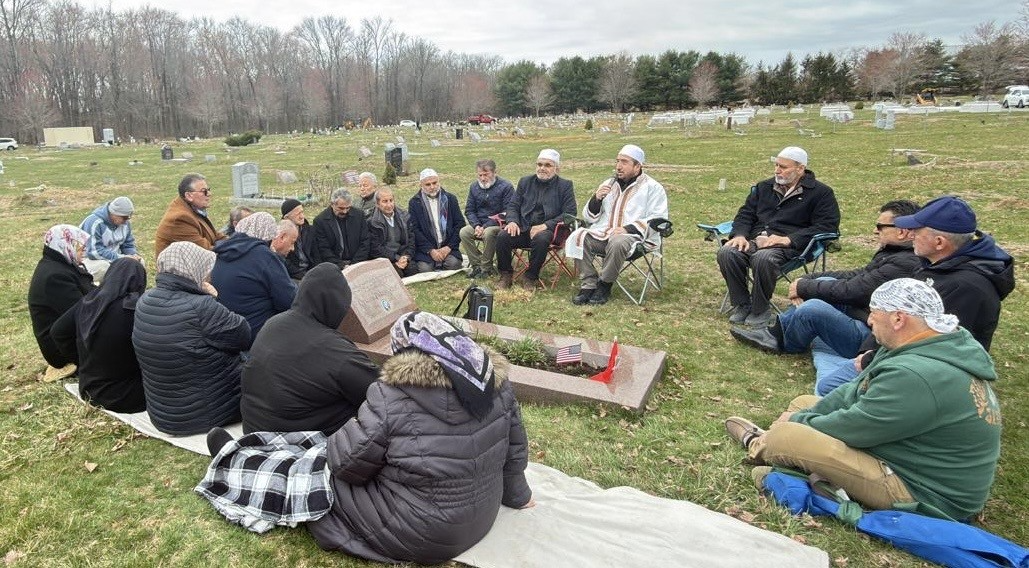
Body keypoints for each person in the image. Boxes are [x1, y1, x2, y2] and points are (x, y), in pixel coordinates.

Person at [725, 278, 1001, 522]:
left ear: (898, 319)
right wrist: (804, 416)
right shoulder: (921, 344)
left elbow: (856, 427)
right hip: (908, 452)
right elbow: (854, 391)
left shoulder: (917, 375)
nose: (869, 321)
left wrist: (798, 423)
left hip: (925, 492)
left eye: (874, 314)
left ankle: (760, 443)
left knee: (788, 437)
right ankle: (790, 452)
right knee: (804, 402)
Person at [307, 311, 534, 563]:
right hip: (482, 520)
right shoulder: (497, 383)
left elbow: (348, 465)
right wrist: (519, 496)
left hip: (417, 533)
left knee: (320, 478)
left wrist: (341, 435)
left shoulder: (390, 394)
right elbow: (515, 451)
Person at [818, 196, 1015, 392]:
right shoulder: (935, 265)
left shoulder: (965, 287)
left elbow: (933, 345)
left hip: (924, 371)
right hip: (893, 348)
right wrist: (868, 350)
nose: (910, 235)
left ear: (939, 242)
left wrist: (870, 360)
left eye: (917, 231)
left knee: (828, 387)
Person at [729, 200, 922, 394]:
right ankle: (776, 332)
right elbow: (856, 275)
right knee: (825, 282)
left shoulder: (904, 263)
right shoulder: (894, 253)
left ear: (902, 232)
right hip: (863, 315)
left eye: (880, 226)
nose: (874, 231)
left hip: (871, 337)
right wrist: (808, 280)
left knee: (812, 308)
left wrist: (804, 287)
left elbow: (853, 290)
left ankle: (786, 343)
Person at [241, 263, 380, 435]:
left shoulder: (273, 323)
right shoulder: (331, 348)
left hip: (255, 430)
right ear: (336, 305)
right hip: (300, 438)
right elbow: (379, 391)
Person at [133, 242, 251, 436]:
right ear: (193, 269)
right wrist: (212, 298)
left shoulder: (145, 301)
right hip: (207, 414)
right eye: (206, 269)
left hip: (164, 415)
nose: (209, 274)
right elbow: (243, 336)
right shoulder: (201, 306)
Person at [717, 147, 840, 327]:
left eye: (783, 167)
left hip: (792, 247)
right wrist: (740, 235)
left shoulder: (821, 193)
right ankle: (742, 304)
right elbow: (746, 214)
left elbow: (827, 226)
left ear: (800, 168)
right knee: (727, 252)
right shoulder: (764, 187)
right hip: (756, 240)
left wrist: (789, 239)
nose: (777, 170)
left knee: (763, 258)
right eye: (776, 165)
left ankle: (760, 309)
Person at [565, 144, 668, 305]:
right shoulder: (609, 183)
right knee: (578, 236)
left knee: (618, 241)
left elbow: (658, 219)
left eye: (624, 162)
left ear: (637, 166)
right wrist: (596, 199)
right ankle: (589, 284)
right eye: (617, 161)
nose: (618, 166)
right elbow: (589, 217)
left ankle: (604, 285)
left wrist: (627, 229)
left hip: (636, 238)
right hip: (604, 233)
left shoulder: (653, 188)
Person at [50, 258, 147, 412]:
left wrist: (82, 360)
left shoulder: (88, 301)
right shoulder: (134, 310)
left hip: (88, 389)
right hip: (123, 395)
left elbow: (58, 332)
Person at [210, 212, 297, 345]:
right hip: (256, 334)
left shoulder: (222, 253)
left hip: (224, 331)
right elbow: (288, 301)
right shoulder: (264, 257)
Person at [495, 149, 576, 291]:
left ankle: (531, 277)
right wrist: (512, 221)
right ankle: (506, 274)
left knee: (541, 239)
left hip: (549, 231)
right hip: (523, 227)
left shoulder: (565, 185)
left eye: (547, 165)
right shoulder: (525, 182)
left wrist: (546, 225)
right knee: (503, 236)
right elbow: (513, 206)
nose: (542, 168)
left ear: (556, 168)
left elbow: (570, 213)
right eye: (539, 164)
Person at [28, 225, 94, 369]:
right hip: (61, 349)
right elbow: (83, 313)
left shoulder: (61, 264)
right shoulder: (54, 277)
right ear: (67, 245)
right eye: (81, 248)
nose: (84, 251)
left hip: (68, 337)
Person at [459, 159, 515, 279]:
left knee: (488, 233)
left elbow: (507, 211)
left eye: (486, 174)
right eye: (480, 175)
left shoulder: (506, 187)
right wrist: (476, 225)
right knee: (464, 232)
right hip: (479, 224)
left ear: (495, 172)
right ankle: (476, 265)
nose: (483, 178)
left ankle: (486, 268)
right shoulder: (474, 187)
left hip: (499, 224)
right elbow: (469, 210)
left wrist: (485, 226)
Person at [407, 168, 466, 273]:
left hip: (448, 247)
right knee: (425, 269)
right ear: (421, 185)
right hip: (426, 250)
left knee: (454, 264)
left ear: (439, 182)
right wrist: (431, 250)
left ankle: (443, 260)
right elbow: (414, 229)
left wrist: (448, 247)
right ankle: (433, 261)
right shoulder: (415, 203)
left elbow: (460, 223)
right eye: (428, 184)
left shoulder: (450, 199)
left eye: (434, 183)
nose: (432, 187)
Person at [154, 173, 226, 257]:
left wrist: (234, 243)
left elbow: (215, 235)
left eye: (208, 189)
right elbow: (206, 251)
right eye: (204, 191)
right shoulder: (180, 219)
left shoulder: (193, 208)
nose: (209, 194)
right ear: (188, 195)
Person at [79, 196, 142, 282]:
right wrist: (122, 258)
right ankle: (95, 288)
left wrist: (133, 254)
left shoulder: (125, 223)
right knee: (103, 267)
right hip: (88, 259)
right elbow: (94, 253)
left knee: (139, 263)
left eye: (128, 217)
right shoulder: (94, 222)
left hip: (114, 258)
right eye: (124, 217)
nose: (126, 221)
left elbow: (128, 245)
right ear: (113, 213)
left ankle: (127, 289)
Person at [313, 189, 370, 269]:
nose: (345, 212)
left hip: (358, 262)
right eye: (341, 208)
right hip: (334, 265)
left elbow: (365, 241)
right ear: (332, 204)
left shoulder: (359, 215)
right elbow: (324, 249)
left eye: (348, 208)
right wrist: (341, 266)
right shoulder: (320, 221)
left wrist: (355, 264)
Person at [367, 188, 416, 277]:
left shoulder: (404, 216)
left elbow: (411, 239)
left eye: (391, 200)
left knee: (412, 269)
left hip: (402, 255)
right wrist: (396, 259)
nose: (389, 205)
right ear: (377, 204)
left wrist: (406, 257)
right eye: (385, 201)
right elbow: (376, 248)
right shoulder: (372, 222)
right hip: (385, 259)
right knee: (396, 274)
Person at [280, 199, 317, 280]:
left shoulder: (309, 230)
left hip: (310, 272)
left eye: (302, 212)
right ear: (287, 217)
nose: (302, 216)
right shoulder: (281, 234)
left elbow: (316, 255)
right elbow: (284, 261)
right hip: (293, 276)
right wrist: (304, 276)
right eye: (298, 214)